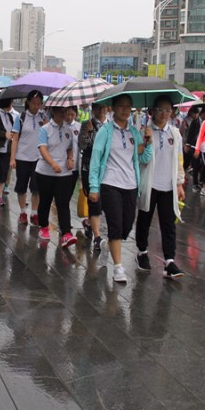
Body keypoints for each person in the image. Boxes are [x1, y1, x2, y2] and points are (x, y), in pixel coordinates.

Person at [88, 94, 153, 284]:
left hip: (131, 185)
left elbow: (142, 158)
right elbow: (95, 159)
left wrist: (147, 143)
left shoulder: (134, 132)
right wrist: (94, 186)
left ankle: (109, 245)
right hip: (110, 184)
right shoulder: (105, 131)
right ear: (113, 108)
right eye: (121, 106)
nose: (125, 110)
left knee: (126, 227)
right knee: (116, 225)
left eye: (128, 107)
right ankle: (118, 268)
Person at [135, 96, 185, 278]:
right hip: (150, 184)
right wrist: (146, 141)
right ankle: (142, 251)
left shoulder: (175, 133)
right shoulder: (144, 131)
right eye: (161, 110)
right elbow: (140, 158)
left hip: (168, 186)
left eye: (168, 110)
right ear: (153, 111)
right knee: (144, 219)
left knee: (168, 224)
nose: (164, 114)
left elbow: (179, 160)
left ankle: (170, 260)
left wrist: (179, 183)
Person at [35, 106, 77, 247]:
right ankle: (44, 226)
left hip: (64, 173)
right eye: (60, 111)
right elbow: (42, 148)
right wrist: (52, 163)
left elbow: (70, 148)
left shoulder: (68, 130)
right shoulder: (45, 129)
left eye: (65, 111)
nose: (63, 114)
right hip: (45, 172)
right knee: (45, 201)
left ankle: (66, 233)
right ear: (52, 111)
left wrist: (70, 159)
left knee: (63, 203)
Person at [10, 90, 47, 225]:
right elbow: (15, 139)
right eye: (33, 103)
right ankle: (23, 212)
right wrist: (12, 158)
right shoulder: (21, 118)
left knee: (36, 188)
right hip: (22, 157)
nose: (36, 106)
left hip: (38, 158)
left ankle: (34, 213)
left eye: (39, 104)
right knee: (22, 186)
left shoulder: (43, 118)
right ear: (28, 103)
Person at [78, 103, 108, 250]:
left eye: (103, 107)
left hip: (107, 169)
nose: (101, 110)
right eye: (98, 108)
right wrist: (89, 133)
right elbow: (82, 146)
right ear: (94, 109)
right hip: (89, 167)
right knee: (94, 200)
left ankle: (89, 223)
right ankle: (97, 236)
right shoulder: (86, 124)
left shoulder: (110, 125)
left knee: (103, 202)